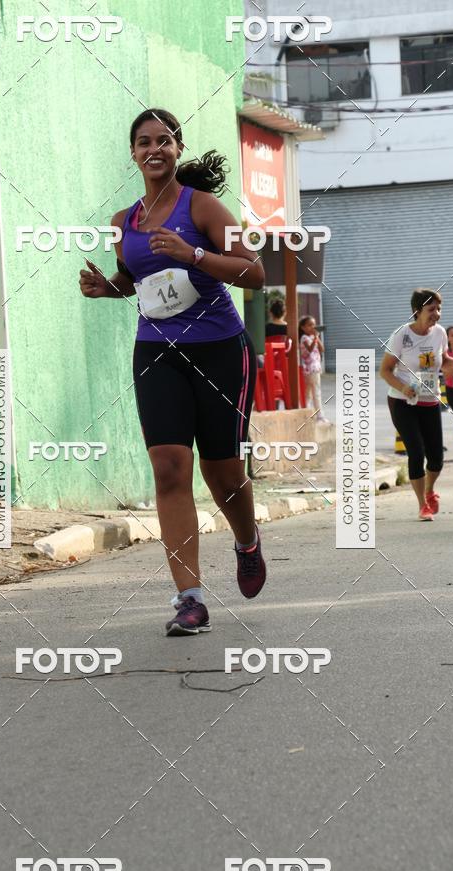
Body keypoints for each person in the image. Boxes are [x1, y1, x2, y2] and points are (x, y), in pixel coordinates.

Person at [79, 108, 267, 636]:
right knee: (168, 468)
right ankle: (189, 599)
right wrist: (108, 288)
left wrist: (195, 253)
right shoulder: (123, 222)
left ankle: (247, 541)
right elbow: (138, 281)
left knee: (223, 471)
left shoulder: (202, 207)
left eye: (164, 140)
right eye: (144, 142)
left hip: (220, 351)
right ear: (133, 153)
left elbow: (254, 272)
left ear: (177, 149)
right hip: (157, 352)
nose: (154, 149)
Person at [380, 289, 453, 521]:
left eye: (439, 308)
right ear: (417, 312)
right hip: (402, 400)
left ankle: (429, 490)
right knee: (416, 451)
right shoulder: (401, 335)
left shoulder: (439, 334)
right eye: (431, 309)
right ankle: (422, 504)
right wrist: (403, 387)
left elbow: (443, 361)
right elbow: (385, 371)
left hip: (429, 399)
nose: (436, 314)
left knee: (436, 457)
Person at [299, 315, 327, 422]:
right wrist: (315, 337)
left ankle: (309, 414)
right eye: (309, 325)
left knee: (310, 393)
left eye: (314, 325)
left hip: (315, 369)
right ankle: (319, 415)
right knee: (314, 393)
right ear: (303, 327)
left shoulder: (313, 337)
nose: (313, 327)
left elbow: (322, 349)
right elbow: (310, 349)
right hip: (309, 369)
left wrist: (317, 338)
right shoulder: (304, 338)